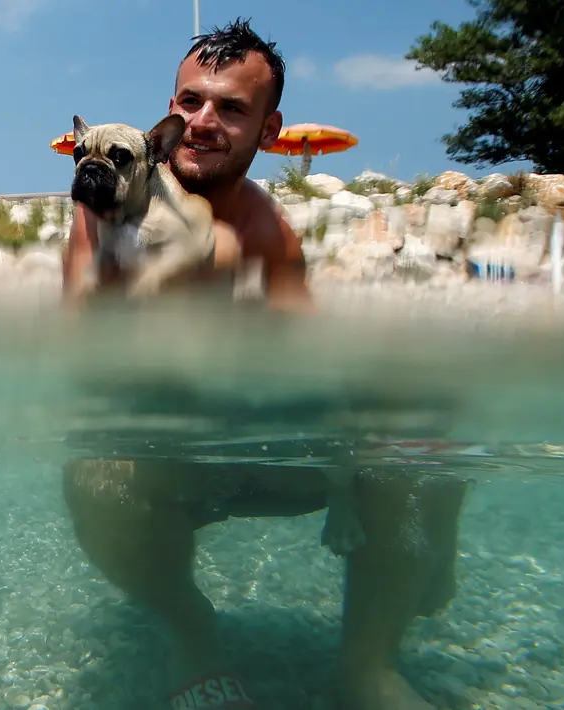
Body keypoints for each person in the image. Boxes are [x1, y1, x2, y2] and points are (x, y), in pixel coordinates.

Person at [59, 18, 468, 710]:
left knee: (426, 440)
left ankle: (367, 664)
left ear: (269, 130)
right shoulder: (100, 209)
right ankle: (192, 635)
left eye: (231, 108)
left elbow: (309, 357)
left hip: (267, 445)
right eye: (189, 102)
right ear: (165, 115)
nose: (201, 122)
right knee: (95, 474)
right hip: (170, 452)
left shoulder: (268, 230)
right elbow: (79, 345)